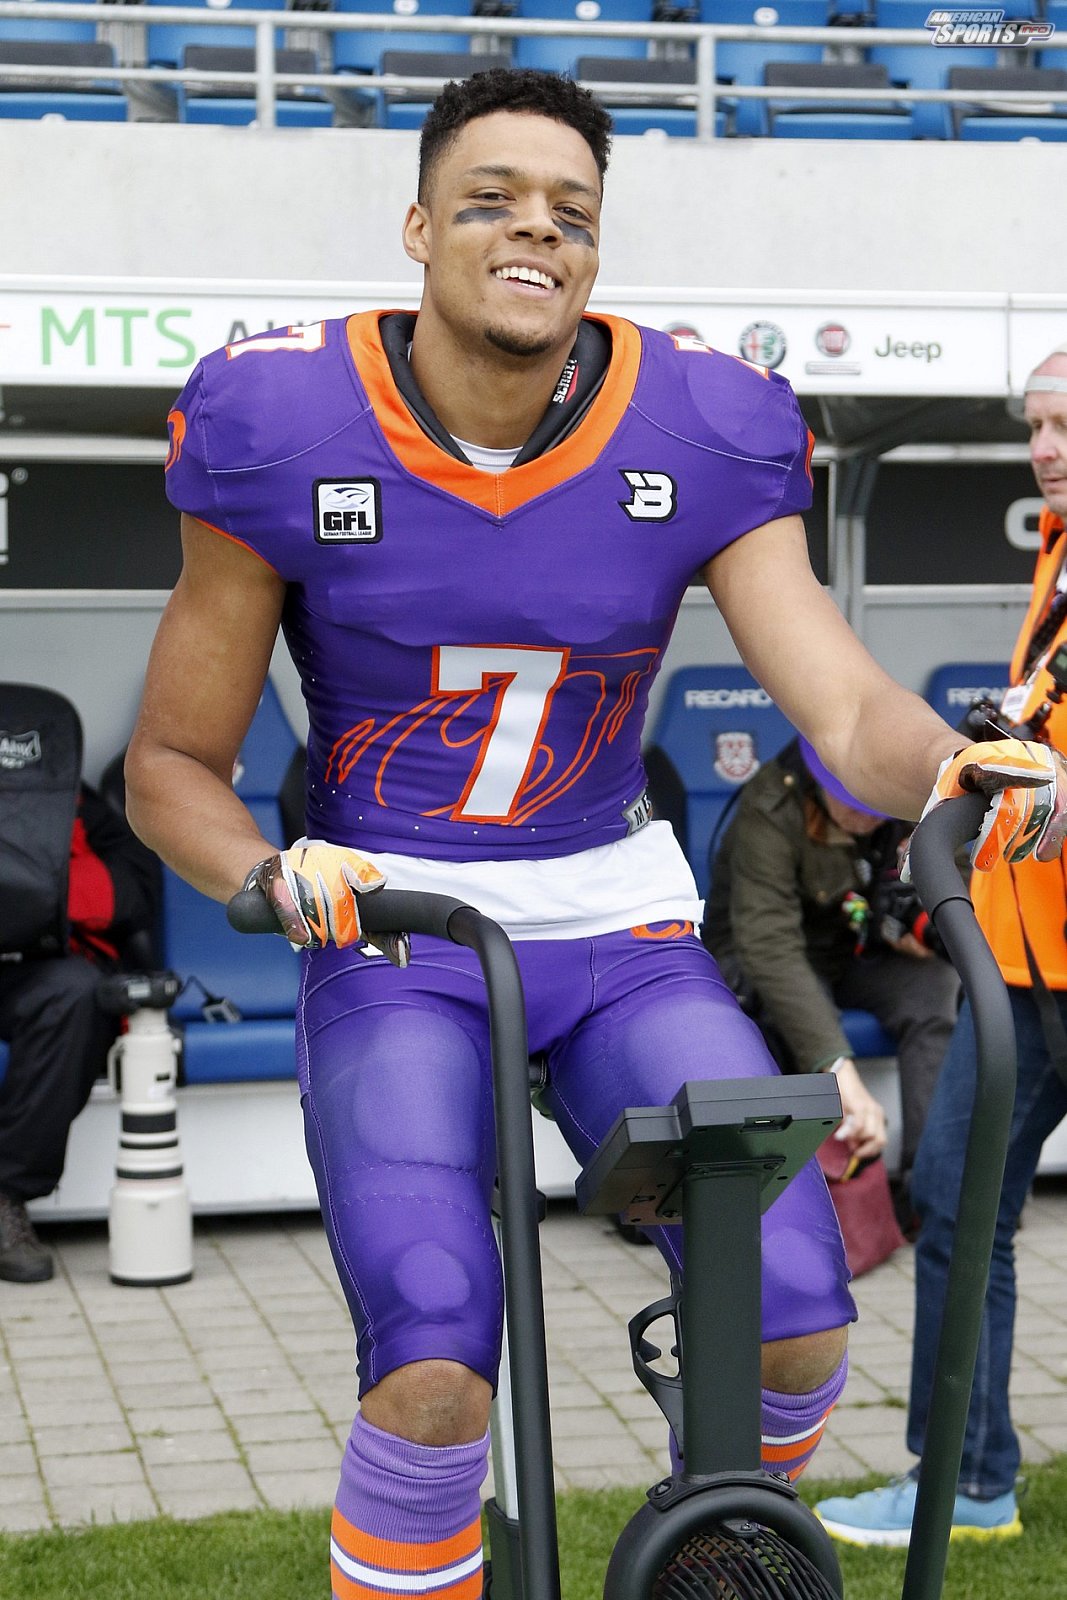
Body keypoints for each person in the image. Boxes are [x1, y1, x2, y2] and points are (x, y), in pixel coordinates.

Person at [123, 70, 1067, 1598]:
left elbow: (841, 708)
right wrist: (265, 873)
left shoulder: (695, 422)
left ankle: (712, 1556)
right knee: (434, 1361)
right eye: (490, 201)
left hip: (616, 925)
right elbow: (171, 763)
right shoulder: (282, 420)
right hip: (397, 923)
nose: (534, 233)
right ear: (417, 227)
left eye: (570, 212)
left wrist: (948, 762)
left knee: (793, 1318)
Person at [814, 342, 1067, 1546]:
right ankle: (965, 1481)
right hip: (1015, 968)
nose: (1043, 448)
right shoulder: (1053, 555)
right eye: (1033, 425)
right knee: (954, 1203)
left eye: (1062, 424)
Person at [703, 734, 961, 1197]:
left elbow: (958, 871)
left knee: (933, 987)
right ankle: (800, 1198)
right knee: (790, 1011)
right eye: (853, 805)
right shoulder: (771, 806)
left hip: (853, 953)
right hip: (771, 962)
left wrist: (911, 921)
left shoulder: (903, 798)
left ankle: (932, 1192)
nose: (869, 818)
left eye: (876, 805)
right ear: (819, 783)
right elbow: (769, 945)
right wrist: (838, 1069)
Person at [0, 783, 159, 1283]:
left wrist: (34, 886)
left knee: (78, 994)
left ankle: (6, 1196)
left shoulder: (66, 796)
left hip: (42, 967)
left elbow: (132, 893)